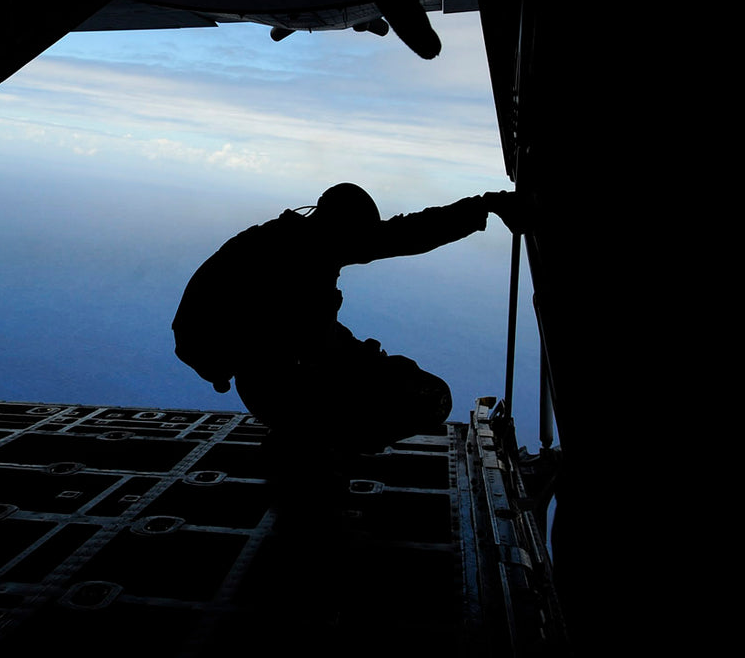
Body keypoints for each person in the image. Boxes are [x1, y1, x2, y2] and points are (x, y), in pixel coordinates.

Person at [173, 183, 522, 454]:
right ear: (342, 230)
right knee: (427, 398)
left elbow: (406, 233)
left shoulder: (313, 238)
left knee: (404, 384)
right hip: (279, 386)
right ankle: (313, 448)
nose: (365, 249)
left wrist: (484, 205)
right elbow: (311, 341)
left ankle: (311, 441)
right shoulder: (290, 262)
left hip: (280, 373)